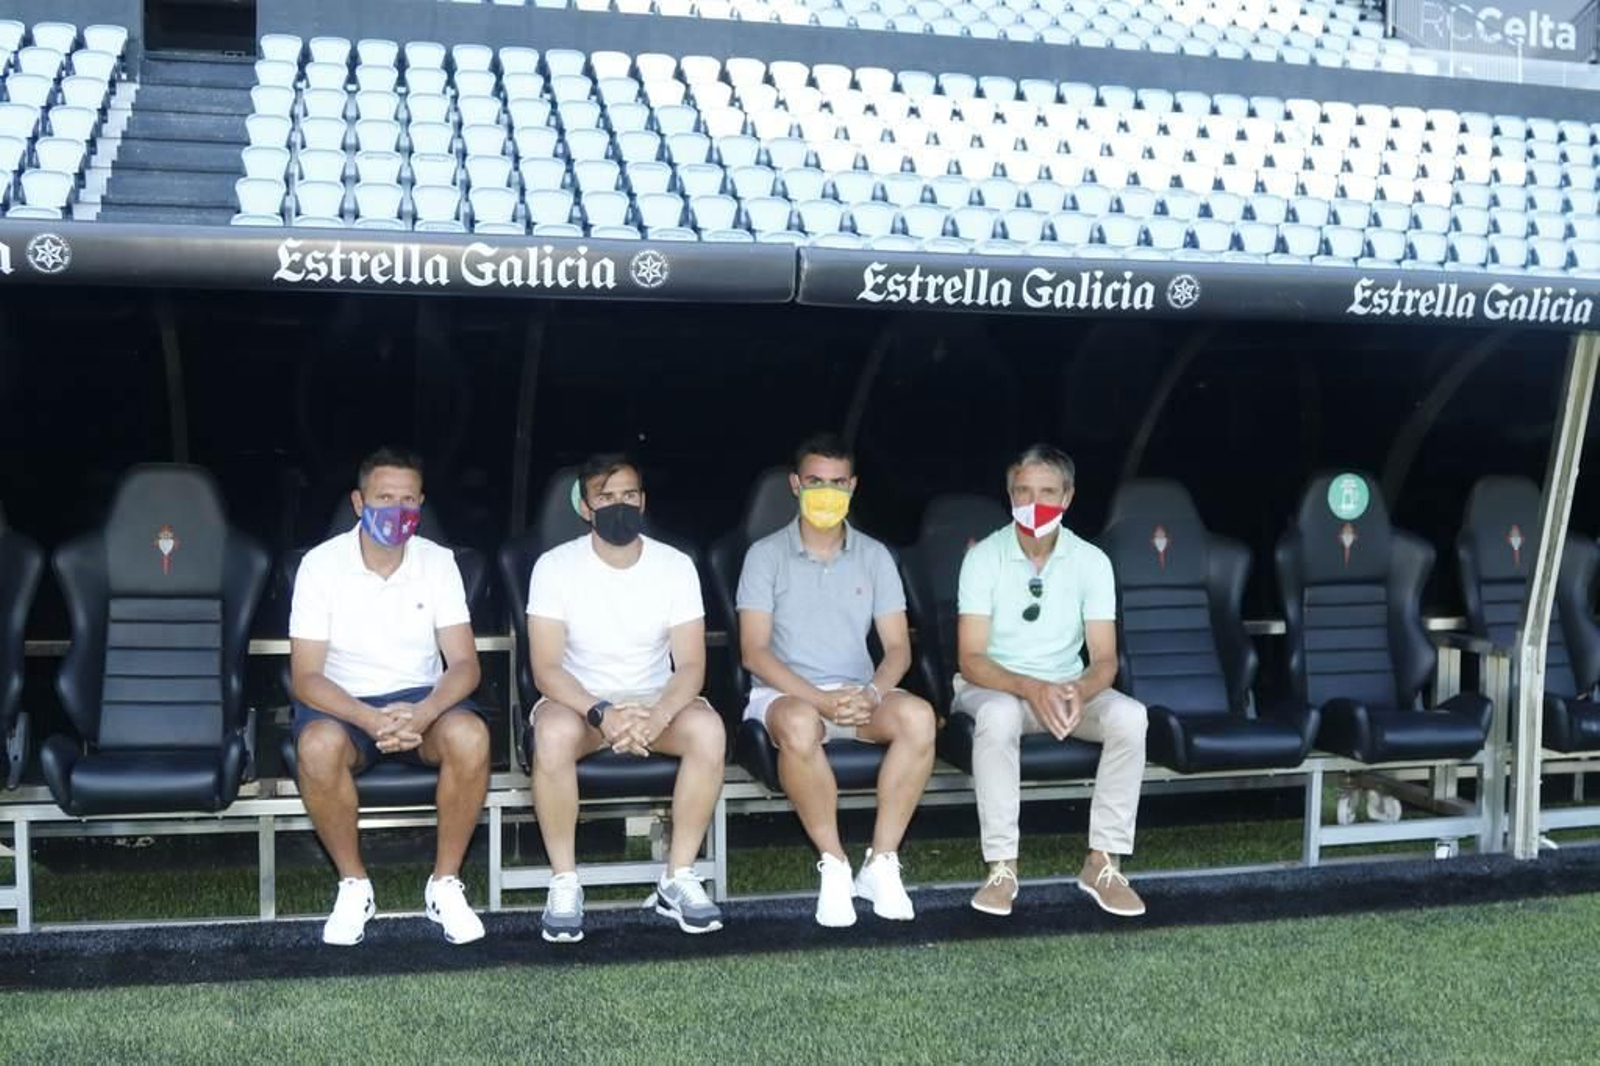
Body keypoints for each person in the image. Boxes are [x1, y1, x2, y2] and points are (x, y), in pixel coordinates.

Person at [289, 447, 490, 946]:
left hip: (421, 701)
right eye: (384, 498)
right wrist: (368, 717)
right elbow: (307, 677)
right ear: (359, 502)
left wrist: (423, 712)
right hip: (345, 704)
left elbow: (465, 665)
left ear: (420, 505)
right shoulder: (320, 565)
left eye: (407, 500)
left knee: (470, 736)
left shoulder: (440, 562)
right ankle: (354, 886)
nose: (396, 511)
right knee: (315, 746)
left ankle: (444, 884)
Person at [737, 433, 936, 927]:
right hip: (786, 696)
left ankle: (881, 862)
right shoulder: (764, 555)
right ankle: (835, 864)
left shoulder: (875, 555)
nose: (826, 492)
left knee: (918, 716)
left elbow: (897, 649)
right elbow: (754, 652)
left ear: (853, 486)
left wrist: (870, 693)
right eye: (815, 481)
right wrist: (819, 701)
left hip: (858, 695)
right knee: (802, 725)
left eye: (837, 482)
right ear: (795, 485)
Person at [526, 453, 726, 943]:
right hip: (581, 703)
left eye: (629, 495)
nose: (620, 505)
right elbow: (547, 668)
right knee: (550, 735)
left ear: (644, 500)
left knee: (708, 730)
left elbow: (693, 666)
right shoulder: (554, 567)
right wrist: (602, 713)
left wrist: (657, 716)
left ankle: (677, 877)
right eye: (607, 496)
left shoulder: (675, 566)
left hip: (655, 702)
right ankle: (565, 881)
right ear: (586, 506)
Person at [954, 444, 1148, 918]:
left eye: (1046, 492)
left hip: (1065, 690)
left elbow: (1105, 658)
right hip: (997, 688)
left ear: (1068, 497)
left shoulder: (1092, 561)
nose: (1032, 503)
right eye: (1023, 491)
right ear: (1009, 492)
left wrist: (1077, 690)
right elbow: (971, 658)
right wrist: (1031, 688)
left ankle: (1103, 861)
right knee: (998, 717)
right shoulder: (983, 558)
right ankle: (1002, 867)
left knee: (1130, 716)